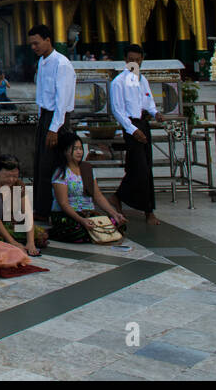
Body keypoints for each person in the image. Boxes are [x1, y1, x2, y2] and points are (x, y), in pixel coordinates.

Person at [109, 43, 163, 225]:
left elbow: (148, 101)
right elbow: (118, 111)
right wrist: (133, 130)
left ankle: (118, 196)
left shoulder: (143, 80)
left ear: (142, 61)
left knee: (143, 166)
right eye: (131, 60)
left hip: (143, 123)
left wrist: (156, 113)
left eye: (137, 61)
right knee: (141, 169)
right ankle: (148, 211)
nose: (134, 63)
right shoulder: (118, 82)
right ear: (125, 60)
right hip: (130, 126)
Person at [28, 24, 75, 220]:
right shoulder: (42, 61)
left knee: (52, 164)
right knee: (41, 163)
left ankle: (51, 208)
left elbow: (61, 100)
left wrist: (54, 128)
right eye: (31, 44)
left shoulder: (61, 64)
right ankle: (42, 207)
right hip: (45, 116)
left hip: (58, 118)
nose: (34, 47)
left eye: (36, 43)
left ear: (48, 40)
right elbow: (43, 93)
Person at [49, 130, 126, 243]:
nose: (79, 152)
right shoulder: (61, 173)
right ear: (65, 151)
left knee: (118, 224)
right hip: (67, 215)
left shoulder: (87, 169)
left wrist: (114, 213)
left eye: (80, 148)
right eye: (75, 149)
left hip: (88, 213)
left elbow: (98, 196)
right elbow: (63, 203)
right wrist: (81, 220)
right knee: (78, 231)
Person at [0, 154, 44, 254]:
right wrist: (12, 242)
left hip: (8, 223)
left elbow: (28, 213)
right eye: (7, 176)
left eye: (15, 176)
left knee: (40, 235)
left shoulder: (18, 185)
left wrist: (31, 242)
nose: (11, 180)